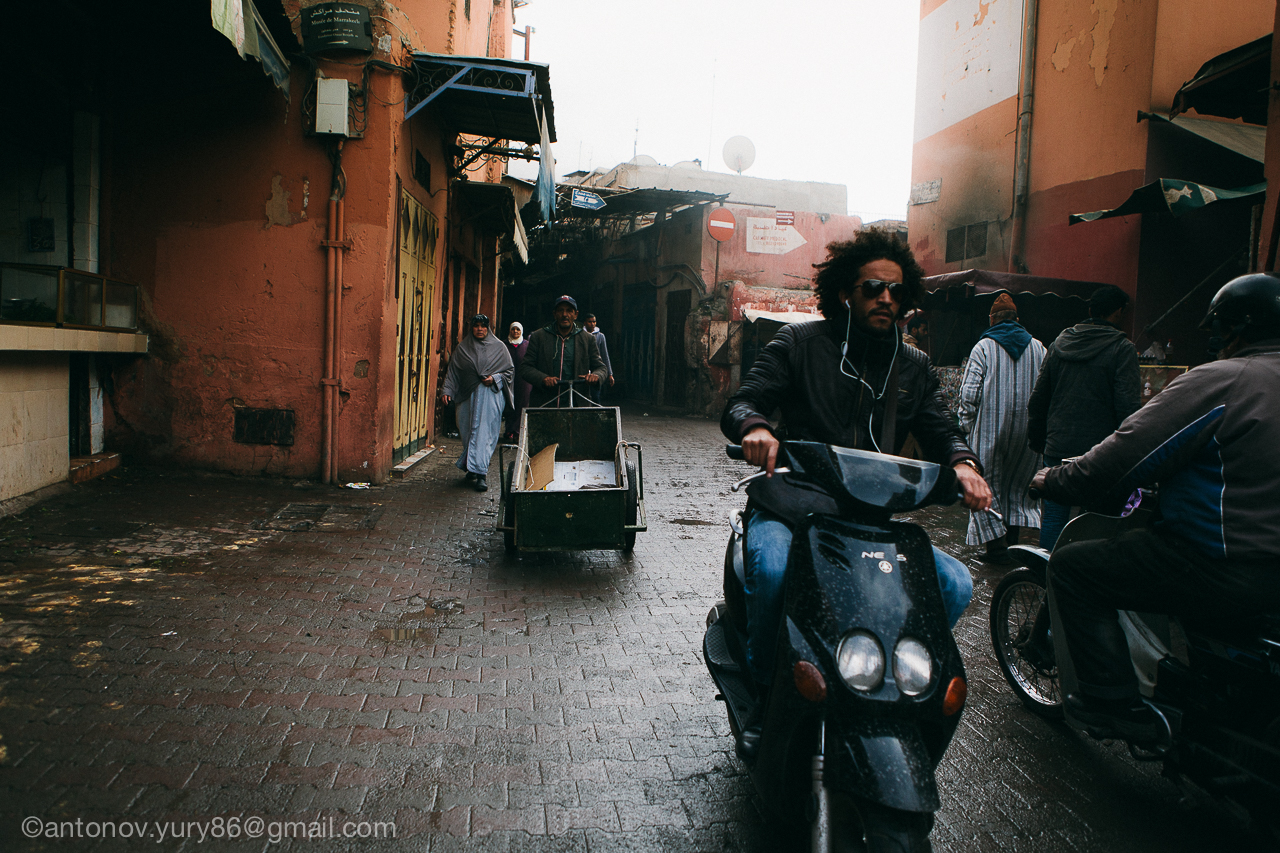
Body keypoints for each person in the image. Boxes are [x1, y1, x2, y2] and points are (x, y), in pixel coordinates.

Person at [721, 228, 993, 751]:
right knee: (774, 570)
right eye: (872, 287)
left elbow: (942, 429)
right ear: (846, 291)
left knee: (955, 584)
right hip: (792, 508)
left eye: (895, 290)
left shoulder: (911, 367)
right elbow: (745, 399)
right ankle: (764, 694)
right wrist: (755, 426)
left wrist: (962, 464)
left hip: (869, 523)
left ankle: (895, 689)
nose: (885, 298)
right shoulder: (800, 344)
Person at [1031, 273, 1280, 745]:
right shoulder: (1125, 351)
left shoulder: (1222, 380)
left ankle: (1110, 700)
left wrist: (1054, 477)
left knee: (1071, 568)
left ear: (1235, 328)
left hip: (1219, 564)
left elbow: (1130, 449)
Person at [1026, 285, 1139, 549]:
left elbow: (1038, 398)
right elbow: (1128, 408)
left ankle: (1044, 578)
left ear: (1090, 311)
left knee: (1053, 515)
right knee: (1092, 520)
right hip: (1100, 453)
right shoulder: (1122, 349)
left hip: (1058, 445)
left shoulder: (1058, 345)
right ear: (1119, 312)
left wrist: (1038, 439)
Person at [957, 293, 1047, 563]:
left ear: (991, 319)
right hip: (1026, 434)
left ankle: (996, 549)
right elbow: (1046, 393)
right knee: (1018, 488)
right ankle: (1014, 546)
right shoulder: (1039, 348)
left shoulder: (983, 347)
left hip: (989, 431)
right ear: (1017, 321)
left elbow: (969, 395)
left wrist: (966, 427)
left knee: (988, 485)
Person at [440, 314, 514, 492]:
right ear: (471, 328)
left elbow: (509, 372)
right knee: (467, 431)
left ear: (488, 328)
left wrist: (494, 378)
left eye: (483, 326)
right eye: (476, 326)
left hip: (490, 396)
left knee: (484, 434)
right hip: (467, 396)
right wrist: (447, 390)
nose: (480, 329)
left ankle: (481, 474)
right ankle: (472, 467)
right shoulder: (463, 347)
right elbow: (454, 371)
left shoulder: (499, 347)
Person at [519, 296, 607, 408]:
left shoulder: (587, 339)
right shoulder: (538, 337)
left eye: (569, 311)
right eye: (561, 310)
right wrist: (543, 378)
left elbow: (602, 368)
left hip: (577, 406)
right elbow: (525, 368)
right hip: (544, 404)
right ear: (554, 314)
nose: (565, 314)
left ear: (576, 315)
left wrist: (596, 376)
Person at [505, 322, 530, 439]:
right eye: (513, 329)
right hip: (509, 379)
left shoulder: (526, 345)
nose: (515, 332)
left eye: (518, 330)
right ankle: (509, 430)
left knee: (523, 403)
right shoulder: (504, 345)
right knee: (510, 403)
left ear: (521, 331)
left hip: (524, 379)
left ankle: (518, 431)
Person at [583, 313, 614, 404]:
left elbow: (605, 355)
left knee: (595, 395)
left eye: (594, 322)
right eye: (590, 322)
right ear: (585, 323)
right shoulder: (580, 335)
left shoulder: (600, 336)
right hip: (583, 368)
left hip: (596, 368)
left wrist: (610, 374)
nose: (592, 324)